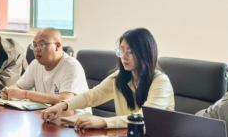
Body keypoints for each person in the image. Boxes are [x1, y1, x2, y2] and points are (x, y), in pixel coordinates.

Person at [42, 28, 175, 128]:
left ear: (144, 53)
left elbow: (145, 117)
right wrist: (62, 105)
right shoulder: (119, 78)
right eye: (122, 50)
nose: (124, 56)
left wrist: (104, 122)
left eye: (130, 52)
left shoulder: (160, 82)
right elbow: (92, 96)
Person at [1, 28, 90, 113]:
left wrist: (26, 94)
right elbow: (19, 86)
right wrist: (8, 91)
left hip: (76, 119)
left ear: (57, 46)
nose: (37, 49)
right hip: (48, 115)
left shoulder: (71, 66)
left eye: (42, 44)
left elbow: (65, 99)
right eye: (35, 45)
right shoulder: (35, 64)